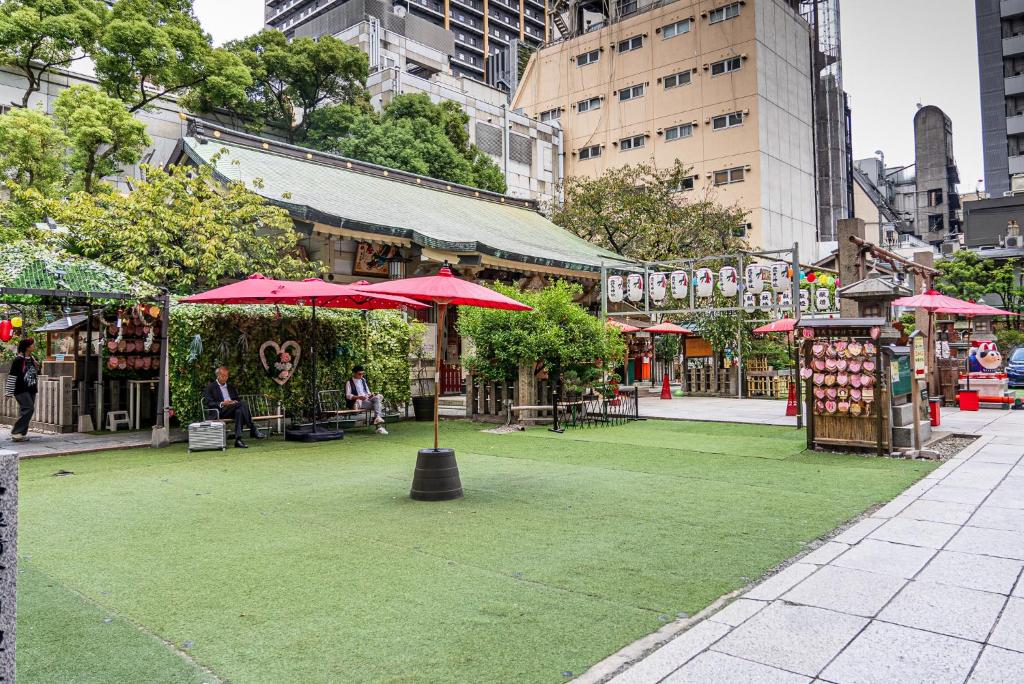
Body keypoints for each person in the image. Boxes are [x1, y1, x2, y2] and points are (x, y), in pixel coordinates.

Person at [202, 366, 266, 448]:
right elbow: (209, 402)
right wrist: (222, 403)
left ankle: (238, 440)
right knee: (242, 404)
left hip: (232, 409)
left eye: (227, 376)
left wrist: (234, 402)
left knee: (239, 411)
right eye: (223, 375)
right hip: (220, 411)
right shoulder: (211, 387)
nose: (225, 378)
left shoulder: (230, 387)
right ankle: (253, 428)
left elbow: (237, 399)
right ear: (217, 375)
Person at [5, 337, 38, 443]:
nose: (34, 346)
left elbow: (33, 372)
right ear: (27, 347)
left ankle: (20, 434)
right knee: (29, 409)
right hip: (21, 389)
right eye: (33, 344)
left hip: (31, 388)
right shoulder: (18, 359)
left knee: (25, 411)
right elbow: (12, 376)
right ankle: (16, 432)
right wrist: (9, 392)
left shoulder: (31, 358)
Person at [345, 365, 388, 435]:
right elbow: (348, 395)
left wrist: (371, 395)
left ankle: (377, 419)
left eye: (362, 374)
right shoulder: (349, 382)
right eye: (359, 374)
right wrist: (359, 397)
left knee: (377, 397)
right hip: (359, 402)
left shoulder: (363, 380)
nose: (361, 375)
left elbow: (367, 392)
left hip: (367, 399)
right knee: (378, 404)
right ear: (354, 373)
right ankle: (379, 427)